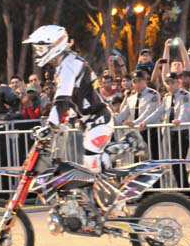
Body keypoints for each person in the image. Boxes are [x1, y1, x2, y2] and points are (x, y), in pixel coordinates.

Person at [23, 25, 114, 173]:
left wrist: (51, 125)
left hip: (98, 119)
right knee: (87, 171)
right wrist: (67, 121)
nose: (38, 52)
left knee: (92, 164)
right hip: (89, 121)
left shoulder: (68, 65)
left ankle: (128, 143)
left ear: (54, 45)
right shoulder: (66, 63)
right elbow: (75, 97)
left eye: (41, 48)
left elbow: (62, 100)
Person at [140, 73, 190, 189]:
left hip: (183, 131)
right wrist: (146, 121)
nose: (170, 86)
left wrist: (179, 120)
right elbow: (159, 112)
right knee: (175, 163)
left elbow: (184, 110)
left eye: (172, 82)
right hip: (172, 132)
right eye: (167, 83)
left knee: (177, 162)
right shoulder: (167, 98)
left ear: (178, 82)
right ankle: (184, 190)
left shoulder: (185, 95)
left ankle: (186, 191)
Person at [117, 70, 161, 160]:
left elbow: (149, 112)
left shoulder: (153, 94)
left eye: (139, 81)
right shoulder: (131, 98)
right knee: (138, 161)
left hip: (150, 131)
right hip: (137, 133)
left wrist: (134, 123)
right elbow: (122, 115)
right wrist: (112, 121)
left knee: (153, 160)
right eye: (134, 81)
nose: (137, 84)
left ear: (145, 81)